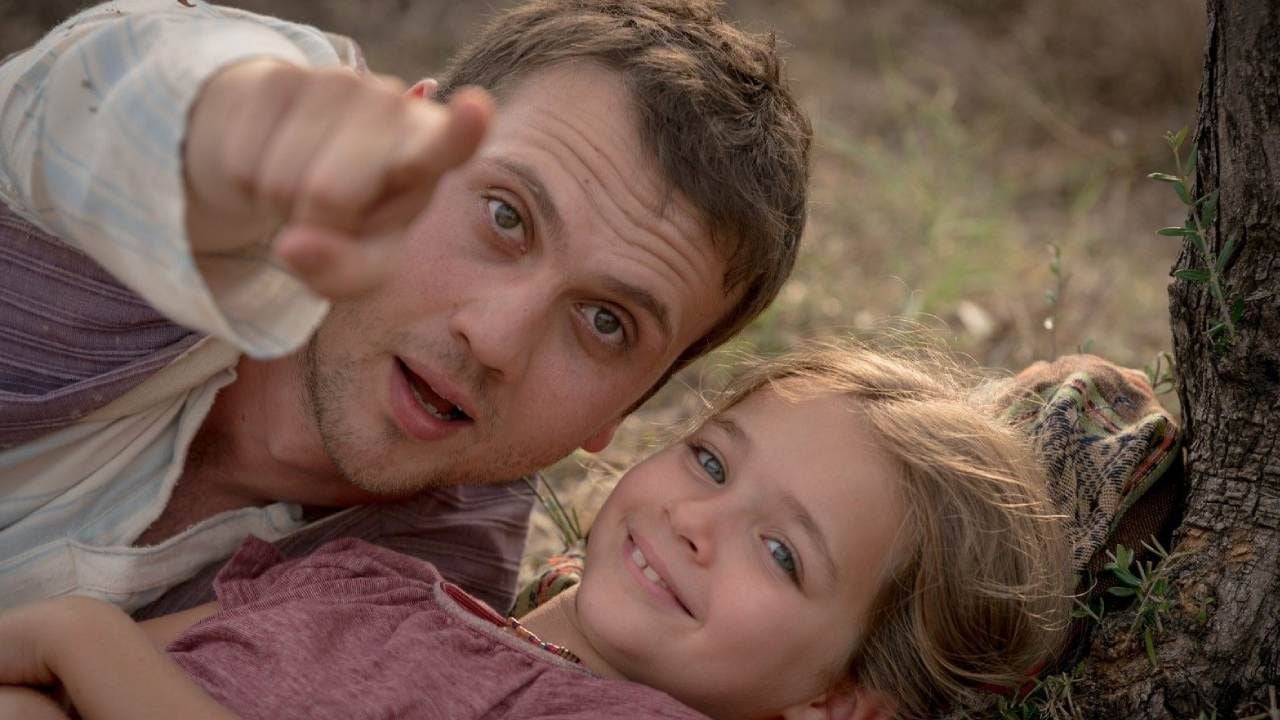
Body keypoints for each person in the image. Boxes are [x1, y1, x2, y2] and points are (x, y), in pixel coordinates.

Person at [0, 0, 811, 614]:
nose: (494, 338)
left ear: (621, 413)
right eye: (506, 217)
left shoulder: (436, 586)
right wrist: (226, 139)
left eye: (606, 324)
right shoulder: (223, 128)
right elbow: (120, 90)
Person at [0, 342, 1072, 719]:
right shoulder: (366, 578)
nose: (696, 521)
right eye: (710, 461)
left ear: (839, 701)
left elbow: (77, 656)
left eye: (782, 552)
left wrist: (79, 638)